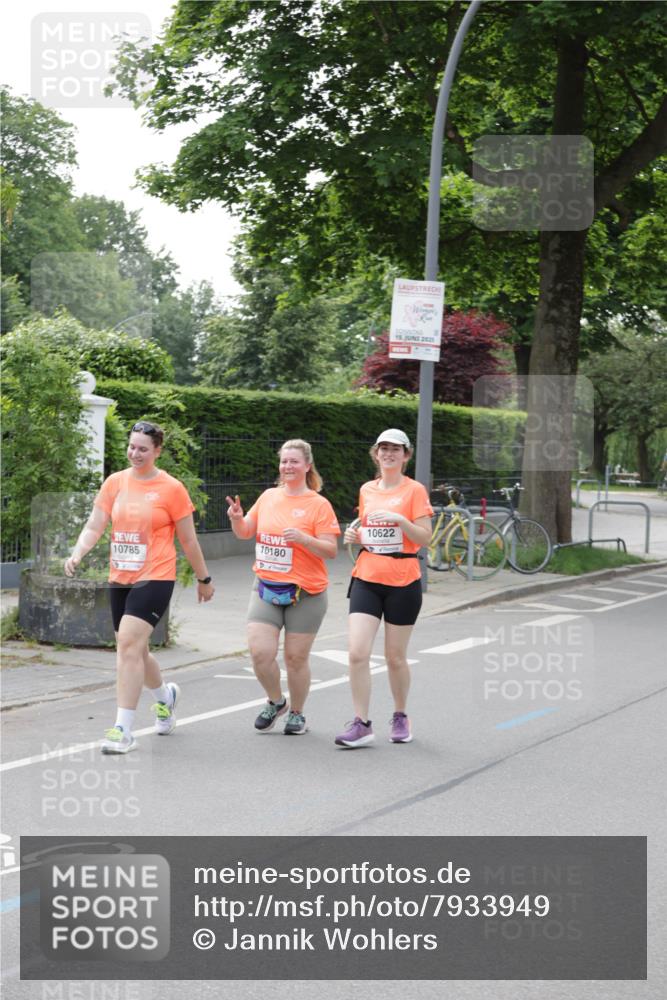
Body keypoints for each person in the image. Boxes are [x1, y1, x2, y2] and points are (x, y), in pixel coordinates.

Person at [64, 421, 215, 754]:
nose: (135, 453)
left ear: (157, 451)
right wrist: (78, 552)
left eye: (143, 449)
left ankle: (123, 729)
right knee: (135, 650)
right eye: (131, 447)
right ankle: (165, 697)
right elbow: (95, 524)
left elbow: (188, 539)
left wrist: (204, 579)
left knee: (128, 645)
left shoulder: (172, 489)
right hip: (121, 576)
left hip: (156, 575)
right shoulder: (115, 482)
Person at [226, 439, 340, 735]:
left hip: (306, 593)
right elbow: (244, 533)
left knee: (295, 658)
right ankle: (276, 702)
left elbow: (330, 550)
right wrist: (237, 519)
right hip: (265, 586)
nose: (288, 466)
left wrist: (304, 539)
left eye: (294, 461)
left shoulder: (318, 504)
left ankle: (298, 714)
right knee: (260, 653)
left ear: (307, 466)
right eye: (284, 461)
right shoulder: (268, 497)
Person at [335, 429, 433, 749]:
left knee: (394, 657)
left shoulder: (414, 490)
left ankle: (400, 715)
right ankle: (361, 723)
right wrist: (356, 536)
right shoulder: (367, 489)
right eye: (383, 449)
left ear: (406, 456)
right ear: (375, 454)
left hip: (403, 579)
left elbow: (424, 537)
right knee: (357, 652)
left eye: (396, 449)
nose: (388, 454)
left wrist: (400, 520)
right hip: (367, 575)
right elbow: (370, 531)